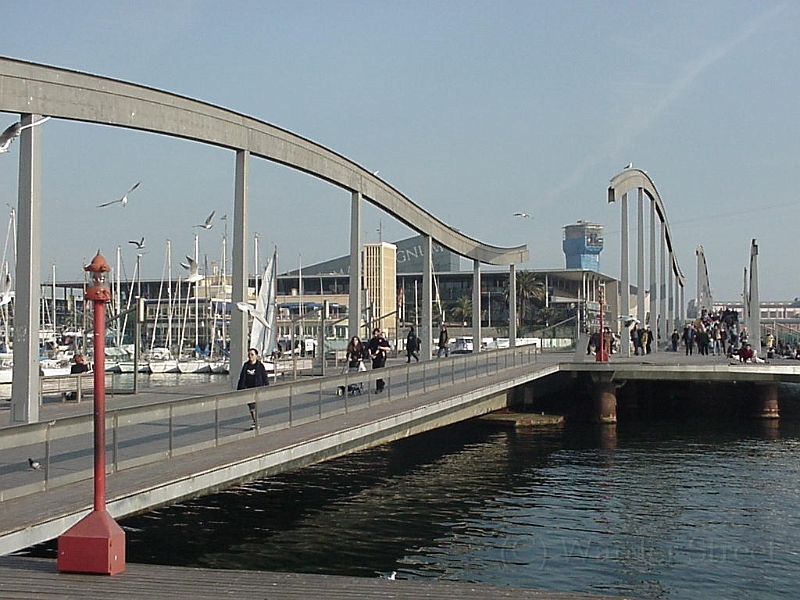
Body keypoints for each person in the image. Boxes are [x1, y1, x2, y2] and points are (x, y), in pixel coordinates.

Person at [237, 348, 269, 429]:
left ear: (256, 356)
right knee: (251, 406)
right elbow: (242, 377)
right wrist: (239, 389)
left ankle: (256, 422)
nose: (250, 356)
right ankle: (255, 421)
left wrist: (266, 387)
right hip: (248, 388)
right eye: (249, 354)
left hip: (257, 388)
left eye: (252, 354)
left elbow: (264, 376)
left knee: (253, 406)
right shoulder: (246, 365)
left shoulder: (260, 366)